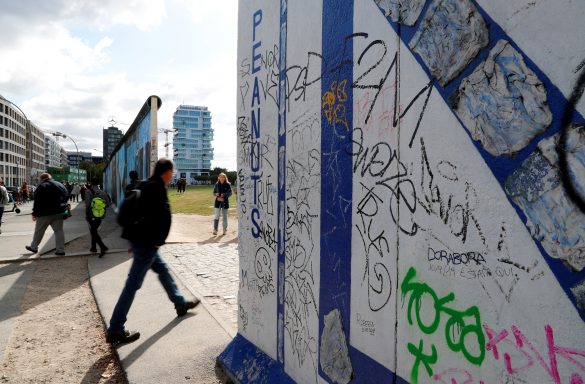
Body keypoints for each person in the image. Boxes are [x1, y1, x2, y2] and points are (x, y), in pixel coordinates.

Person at [106, 158, 199, 344]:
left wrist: (135, 238)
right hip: (147, 244)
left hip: (142, 241)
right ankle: (116, 328)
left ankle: (180, 303)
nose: (172, 176)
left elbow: (138, 214)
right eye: (172, 173)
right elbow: (162, 218)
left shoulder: (145, 184)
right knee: (132, 284)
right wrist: (156, 241)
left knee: (163, 270)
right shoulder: (157, 188)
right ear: (166, 172)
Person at [25, 173, 69, 256]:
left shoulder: (42, 186)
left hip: (44, 213)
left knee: (39, 231)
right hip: (59, 212)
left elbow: (37, 201)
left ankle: (34, 247)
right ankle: (60, 250)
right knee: (59, 231)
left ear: (42, 179)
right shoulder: (60, 184)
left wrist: (35, 213)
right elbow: (67, 195)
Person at [86, 178, 110, 257]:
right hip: (100, 215)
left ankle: (103, 247)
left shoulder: (88, 191)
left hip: (91, 215)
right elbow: (108, 204)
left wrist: (88, 214)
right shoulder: (103, 192)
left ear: (91, 183)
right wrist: (100, 207)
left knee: (93, 231)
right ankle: (93, 248)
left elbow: (87, 204)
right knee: (94, 230)